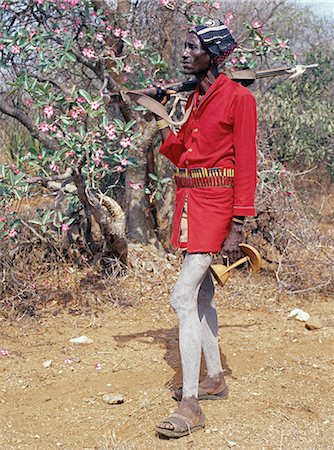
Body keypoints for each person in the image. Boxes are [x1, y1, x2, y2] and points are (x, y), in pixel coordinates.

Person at [154, 19, 257, 438]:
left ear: (211, 55)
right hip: (191, 206)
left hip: (218, 211)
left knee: (182, 296)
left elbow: (246, 163)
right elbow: (182, 156)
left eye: (191, 46)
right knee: (203, 295)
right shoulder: (195, 99)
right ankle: (214, 377)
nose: (183, 52)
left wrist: (237, 225)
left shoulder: (238, 98)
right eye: (184, 44)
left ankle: (192, 403)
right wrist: (161, 114)